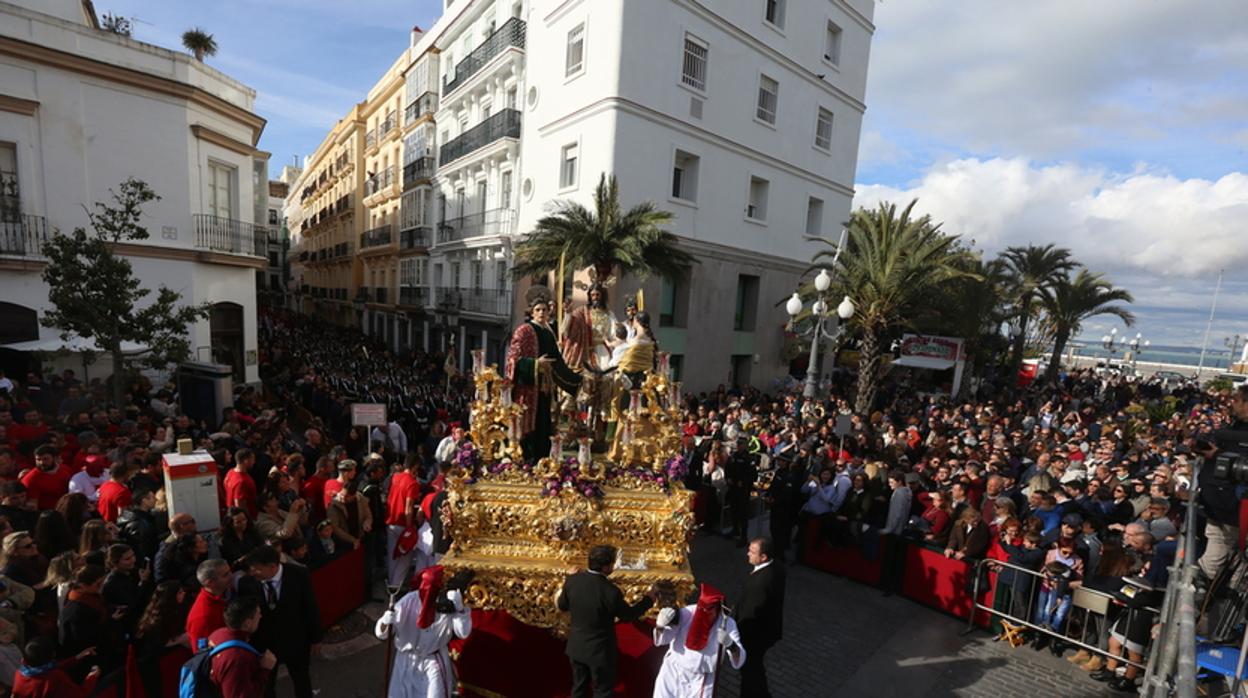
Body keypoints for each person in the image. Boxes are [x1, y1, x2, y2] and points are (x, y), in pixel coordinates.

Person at [557, 544, 656, 698]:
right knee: (602, 691)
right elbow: (628, 615)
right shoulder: (610, 591)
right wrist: (648, 600)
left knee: (579, 688)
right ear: (605, 567)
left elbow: (562, 605)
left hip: (576, 647)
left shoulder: (572, 581)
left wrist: (570, 580)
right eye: (612, 563)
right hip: (600, 652)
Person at [505, 285, 581, 462]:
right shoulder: (524, 330)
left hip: (545, 390)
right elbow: (512, 361)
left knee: (544, 426)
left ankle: (543, 461)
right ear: (531, 312)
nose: (541, 313)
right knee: (527, 428)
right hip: (528, 390)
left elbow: (558, 363)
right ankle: (526, 461)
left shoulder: (548, 332)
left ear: (549, 312)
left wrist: (578, 382)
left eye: (545, 310)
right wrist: (535, 364)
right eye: (538, 310)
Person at [374, 565, 472, 698]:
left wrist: (460, 610)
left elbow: (463, 632)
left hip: (432, 661)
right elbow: (383, 633)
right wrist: (385, 622)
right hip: (407, 660)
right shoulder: (409, 601)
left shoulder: (449, 604)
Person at [239, 545, 322, 698]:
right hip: (264, 645)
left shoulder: (299, 574)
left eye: (256, 569)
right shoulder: (247, 583)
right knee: (266, 686)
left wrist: (315, 638)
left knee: (301, 680)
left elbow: (310, 607)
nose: (252, 573)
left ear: (272, 566)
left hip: (296, 641)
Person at [652, 583, 745, 698]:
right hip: (674, 671)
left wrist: (731, 645)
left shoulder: (727, 623)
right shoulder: (687, 613)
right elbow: (664, 639)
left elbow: (739, 659)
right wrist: (660, 626)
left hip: (702, 679)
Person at [735, 537, 786, 698]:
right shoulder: (776, 568)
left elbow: (749, 614)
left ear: (764, 557)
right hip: (767, 631)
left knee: (749, 671)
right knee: (756, 668)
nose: (748, 554)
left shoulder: (760, 583)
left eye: (752, 551)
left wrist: (735, 634)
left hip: (754, 637)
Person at [209, 595, 277, 697]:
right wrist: (264, 670)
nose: (261, 616)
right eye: (258, 614)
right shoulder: (238, 658)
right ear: (247, 623)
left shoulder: (217, 635)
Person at [11, 637, 99, 698]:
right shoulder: (56, 677)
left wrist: (77, 657)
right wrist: (92, 676)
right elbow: (79, 695)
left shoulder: (19, 674)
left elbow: (48, 669)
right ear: (53, 655)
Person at [186, 559, 233, 651]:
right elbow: (201, 653)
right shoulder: (203, 616)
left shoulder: (224, 594)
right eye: (225, 575)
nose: (231, 576)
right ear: (209, 583)